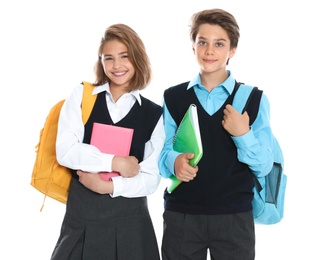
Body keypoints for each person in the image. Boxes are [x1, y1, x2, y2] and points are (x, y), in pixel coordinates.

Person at [158, 8, 276, 260]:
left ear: (232, 50)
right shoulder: (174, 97)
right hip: (182, 215)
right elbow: (162, 154)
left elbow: (265, 165)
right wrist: (174, 162)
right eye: (202, 42)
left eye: (219, 44)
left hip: (234, 216)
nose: (209, 50)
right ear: (193, 47)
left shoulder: (254, 99)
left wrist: (243, 134)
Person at [51, 23, 164, 260]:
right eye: (108, 58)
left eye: (124, 56)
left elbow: (151, 178)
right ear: (101, 62)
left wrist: (109, 187)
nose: (117, 65)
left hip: (131, 224)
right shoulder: (82, 96)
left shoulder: (154, 114)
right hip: (83, 219)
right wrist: (115, 162)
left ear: (137, 59)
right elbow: (66, 151)